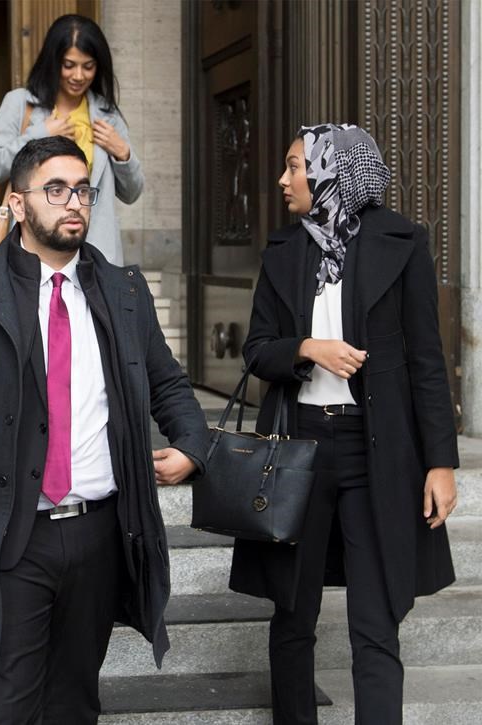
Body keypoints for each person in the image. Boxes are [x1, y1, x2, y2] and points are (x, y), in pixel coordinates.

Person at [0, 136, 208, 723]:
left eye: (83, 191)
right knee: (4, 707)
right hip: (6, 537)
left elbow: (168, 383)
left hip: (99, 534)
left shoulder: (123, 291)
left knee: (74, 703)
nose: (74, 204)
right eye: (56, 190)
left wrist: (192, 444)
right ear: (16, 203)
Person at [230, 124, 460, 724]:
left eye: (294, 167)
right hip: (299, 452)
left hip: (376, 452)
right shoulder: (285, 250)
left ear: (332, 172)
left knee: (376, 622)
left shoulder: (402, 242)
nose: (283, 179)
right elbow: (256, 350)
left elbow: (426, 359)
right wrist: (307, 348)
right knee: (292, 615)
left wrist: (441, 462)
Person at [0, 14, 142, 266]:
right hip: (32, 255)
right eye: (69, 64)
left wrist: (123, 153)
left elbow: (132, 193)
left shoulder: (107, 116)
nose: (78, 75)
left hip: (96, 258)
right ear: (53, 62)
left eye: (88, 66)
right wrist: (38, 134)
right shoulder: (20, 104)